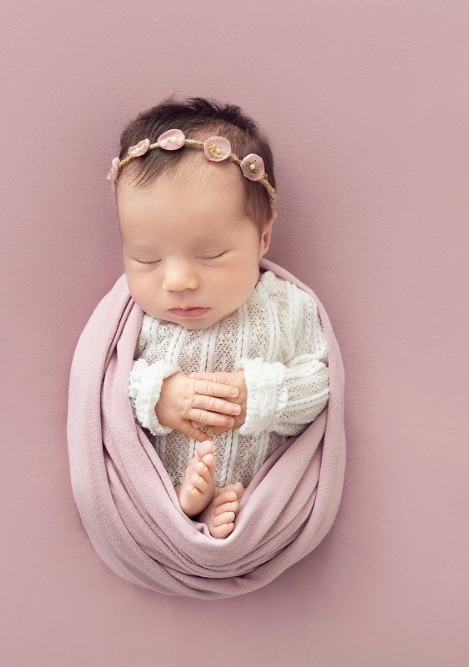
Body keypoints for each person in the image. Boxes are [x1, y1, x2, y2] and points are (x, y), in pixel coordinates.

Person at [107, 97, 330, 539]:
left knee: (242, 502)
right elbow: (111, 387)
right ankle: (178, 507)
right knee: (174, 486)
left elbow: (319, 383)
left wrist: (262, 395)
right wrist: (159, 397)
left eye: (210, 255)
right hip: (156, 493)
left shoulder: (287, 307)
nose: (178, 281)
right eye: (146, 259)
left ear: (263, 236)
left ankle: (218, 514)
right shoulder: (139, 321)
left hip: (259, 495)